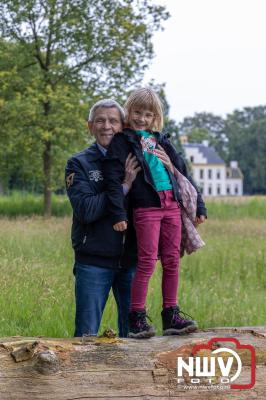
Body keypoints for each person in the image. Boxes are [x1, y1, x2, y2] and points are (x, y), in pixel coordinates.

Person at [103, 88, 207, 339]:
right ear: (129, 111)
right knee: (147, 261)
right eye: (137, 112)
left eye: (148, 114)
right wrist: (118, 214)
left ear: (155, 117)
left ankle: (171, 313)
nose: (141, 118)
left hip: (171, 205)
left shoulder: (160, 140)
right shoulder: (122, 141)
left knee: (172, 260)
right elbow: (111, 179)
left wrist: (200, 206)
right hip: (146, 207)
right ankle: (136, 317)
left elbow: (183, 174)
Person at [65, 99, 140, 338]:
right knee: (86, 337)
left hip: (131, 261)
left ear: (123, 125)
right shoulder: (79, 163)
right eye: (100, 120)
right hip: (93, 261)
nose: (106, 126)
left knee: (136, 337)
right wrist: (123, 187)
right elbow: (86, 209)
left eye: (113, 121)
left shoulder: (136, 160)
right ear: (90, 126)